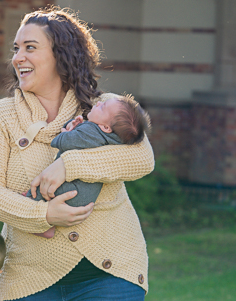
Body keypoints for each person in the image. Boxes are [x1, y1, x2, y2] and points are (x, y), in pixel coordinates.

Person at [0, 6, 155, 301]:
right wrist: (44, 216)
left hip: (109, 277)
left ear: (61, 55)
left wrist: (68, 167)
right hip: (29, 282)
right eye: (16, 48)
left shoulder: (102, 108)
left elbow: (142, 157)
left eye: (30, 48)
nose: (18, 57)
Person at [27, 93, 152, 237]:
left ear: (105, 127)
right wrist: (74, 128)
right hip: (86, 196)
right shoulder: (114, 138)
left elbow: (62, 142)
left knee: (42, 190)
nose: (98, 103)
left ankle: (41, 222)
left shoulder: (91, 131)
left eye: (102, 107)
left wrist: (62, 135)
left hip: (74, 192)